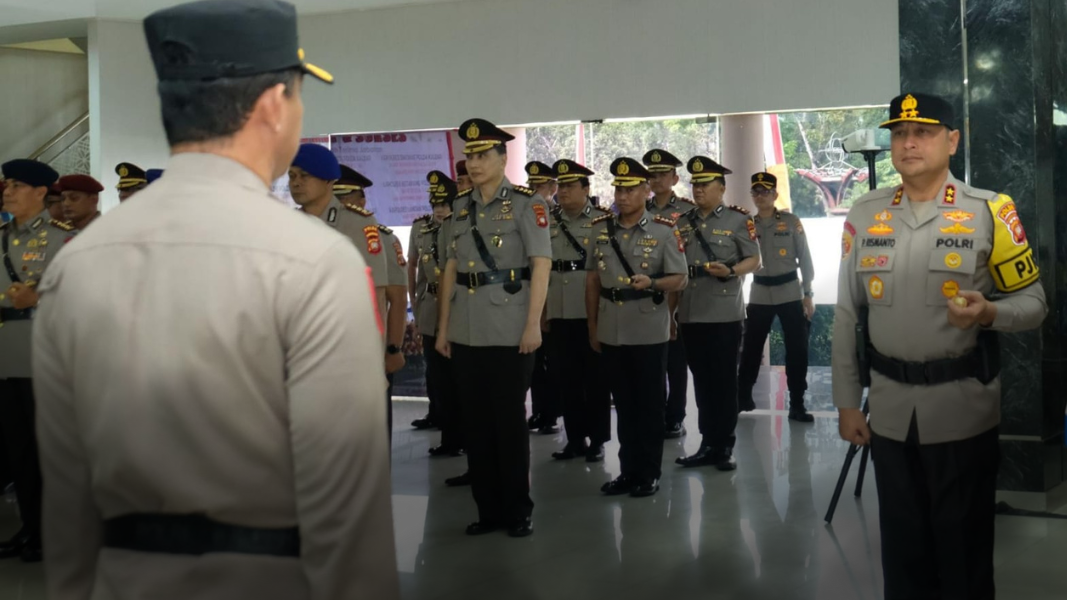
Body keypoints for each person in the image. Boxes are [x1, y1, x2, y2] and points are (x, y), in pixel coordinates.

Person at [32, 2, 400, 598]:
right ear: (274, 105)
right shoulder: (314, 263)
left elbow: (67, 499)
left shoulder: (77, 264)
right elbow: (346, 513)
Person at [833, 92, 1047, 600]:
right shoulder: (865, 212)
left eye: (923, 132)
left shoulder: (989, 211)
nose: (908, 142)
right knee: (902, 551)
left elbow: (1034, 302)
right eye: (899, 133)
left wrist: (990, 312)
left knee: (964, 553)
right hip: (888, 412)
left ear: (952, 140)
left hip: (962, 410)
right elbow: (847, 313)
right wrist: (846, 402)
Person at [435, 118, 551, 537]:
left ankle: (517, 510)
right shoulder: (460, 207)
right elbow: (451, 268)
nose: (474, 163)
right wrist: (443, 329)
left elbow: (541, 264)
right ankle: (488, 510)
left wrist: (533, 325)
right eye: (470, 155)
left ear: (503, 158)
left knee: (508, 423)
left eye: (483, 155)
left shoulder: (525, 204)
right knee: (476, 424)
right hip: (466, 329)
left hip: (509, 328)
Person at [588, 157, 688, 498]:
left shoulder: (664, 229)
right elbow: (592, 281)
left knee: (649, 405)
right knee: (624, 404)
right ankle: (628, 471)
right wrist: (593, 327)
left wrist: (654, 283)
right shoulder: (601, 229)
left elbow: (680, 278)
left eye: (630, 189)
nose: (622, 195)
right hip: (611, 328)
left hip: (647, 328)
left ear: (646, 191)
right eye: (618, 189)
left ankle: (648, 472)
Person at [0, 158, 70, 564]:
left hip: (43, 358)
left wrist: (39, 298)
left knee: (49, 452)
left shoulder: (63, 238)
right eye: (6, 185)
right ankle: (31, 529)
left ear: (41, 192)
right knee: (18, 452)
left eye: (16, 185)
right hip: (7, 358)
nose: (7, 191)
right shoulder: (2, 237)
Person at [674, 156, 761, 471]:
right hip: (690, 312)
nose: (698, 189)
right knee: (702, 382)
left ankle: (724, 446)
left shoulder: (738, 220)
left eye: (705, 184)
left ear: (721, 188)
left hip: (724, 314)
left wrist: (732, 271)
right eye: (695, 184)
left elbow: (755, 260)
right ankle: (707, 443)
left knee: (724, 383)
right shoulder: (682, 222)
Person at [289, 147, 405, 382]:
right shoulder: (287, 224)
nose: (296, 183)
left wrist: (377, 358)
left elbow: (376, 297)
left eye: (305, 176)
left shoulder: (358, 225)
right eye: (292, 176)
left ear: (328, 181)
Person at [546, 159, 611, 462]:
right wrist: (543, 313)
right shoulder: (548, 220)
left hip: (590, 311)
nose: (563, 191)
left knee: (595, 380)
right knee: (566, 379)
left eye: (571, 186)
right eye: (561, 186)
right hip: (558, 309)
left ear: (586, 189)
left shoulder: (602, 220)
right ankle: (574, 439)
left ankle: (597, 439)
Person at [737, 172, 816, 421]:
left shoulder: (791, 222)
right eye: (756, 192)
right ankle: (743, 397)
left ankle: (797, 403)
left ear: (775, 195)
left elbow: (805, 259)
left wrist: (808, 294)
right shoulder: (747, 225)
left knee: (797, 350)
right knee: (750, 349)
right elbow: (740, 261)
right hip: (760, 293)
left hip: (790, 292)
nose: (760, 196)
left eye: (765, 192)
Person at [332, 164, 408, 408]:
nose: (339, 204)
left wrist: (393, 348)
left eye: (344, 197)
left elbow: (397, 299)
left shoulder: (382, 239)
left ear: (362, 200)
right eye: (334, 197)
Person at [409, 171, 463, 456]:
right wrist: (416, 308)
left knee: (460, 380)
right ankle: (449, 438)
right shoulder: (422, 228)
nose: (440, 210)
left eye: (444, 204)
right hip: (430, 308)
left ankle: (464, 437)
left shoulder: (462, 227)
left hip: (458, 309)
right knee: (439, 378)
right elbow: (417, 271)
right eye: (435, 205)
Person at [642, 148, 693, 438]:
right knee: (652, 361)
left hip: (678, 292)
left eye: (663, 174)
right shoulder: (640, 209)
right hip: (645, 292)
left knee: (675, 360)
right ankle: (656, 412)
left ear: (674, 178)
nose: (656, 179)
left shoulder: (687, 211)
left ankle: (675, 416)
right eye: (652, 174)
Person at [524, 160, 560, 434]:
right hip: (531, 297)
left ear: (552, 187)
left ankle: (554, 412)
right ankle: (540, 411)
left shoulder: (560, 218)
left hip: (557, 298)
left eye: (540, 185)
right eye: (531, 185)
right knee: (535, 363)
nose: (534, 190)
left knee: (556, 363)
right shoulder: (525, 214)